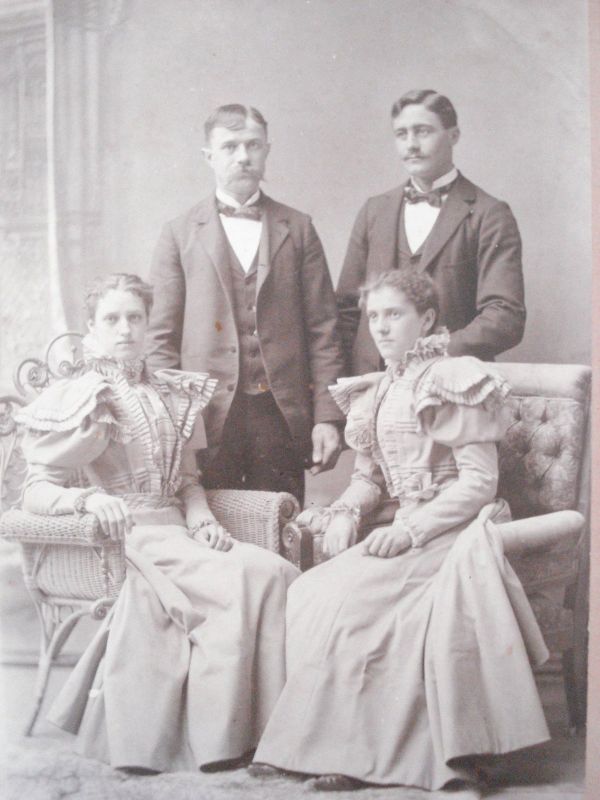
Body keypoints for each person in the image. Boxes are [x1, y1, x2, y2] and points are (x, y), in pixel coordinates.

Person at [250, 269, 549, 792]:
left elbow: (479, 483)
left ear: (427, 319)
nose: (381, 328)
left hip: (456, 528)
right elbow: (370, 477)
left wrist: (412, 530)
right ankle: (319, 744)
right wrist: (344, 510)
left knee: (366, 606)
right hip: (401, 523)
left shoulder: (455, 376)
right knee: (314, 590)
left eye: (395, 315)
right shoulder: (382, 388)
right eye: (374, 317)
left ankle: (367, 756)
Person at [16, 273, 299, 773]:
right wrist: (85, 500)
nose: (124, 329)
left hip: (179, 531)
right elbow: (34, 491)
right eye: (111, 319)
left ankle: (267, 731)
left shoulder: (171, 393)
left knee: (274, 572)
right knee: (238, 581)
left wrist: (203, 519)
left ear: (148, 325)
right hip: (128, 536)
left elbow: (187, 481)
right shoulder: (80, 396)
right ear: (91, 329)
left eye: (134, 318)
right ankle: (219, 741)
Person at [145, 104, 344, 504]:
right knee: (214, 537)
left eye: (253, 145)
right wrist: (171, 422)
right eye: (230, 146)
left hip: (280, 415)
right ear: (209, 157)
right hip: (206, 419)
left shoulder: (298, 228)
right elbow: (161, 338)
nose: (243, 156)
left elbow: (324, 330)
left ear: (267, 150)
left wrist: (327, 417)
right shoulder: (179, 233)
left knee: (281, 529)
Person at [337, 89, 526, 375]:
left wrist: (435, 352)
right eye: (402, 134)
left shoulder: (490, 214)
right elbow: (347, 310)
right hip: (373, 387)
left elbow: (505, 316)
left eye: (422, 131)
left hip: (452, 385)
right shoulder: (374, 211)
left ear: (454, 135)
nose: (411, 145)